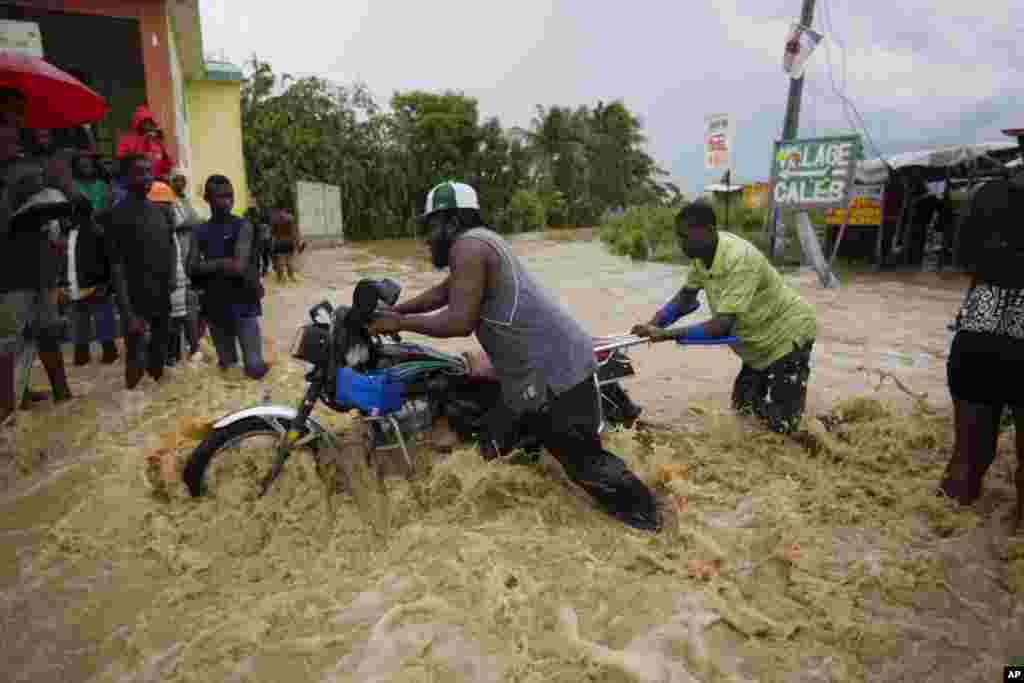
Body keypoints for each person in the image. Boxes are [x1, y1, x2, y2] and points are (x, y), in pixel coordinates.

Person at [367, 180, 658, 531]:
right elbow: (444, 293)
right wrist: (394, 313)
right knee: (492, 447)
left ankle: (651, 522)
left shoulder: (468, 247)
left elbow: (459, 320)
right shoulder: (482, 242)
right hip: (528, 376)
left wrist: (401, 321)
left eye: (431, 226)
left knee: (585, 463)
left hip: (551, 374)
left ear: (452, 222)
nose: (426, 238)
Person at [631, 201, 817, 435]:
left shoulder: (739, 259)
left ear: (709, 231)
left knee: (782, 429)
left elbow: (721, 326)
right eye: (679, 237)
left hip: (787, 336)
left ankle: (825, 436)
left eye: (686, 237)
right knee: (743, 411)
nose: (681, 244)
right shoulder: (701, 258)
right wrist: (652, 324)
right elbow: (685, 300)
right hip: (757, 343)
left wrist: (666, 335)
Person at [939, 170, 1024, 525]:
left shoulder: (986, 195)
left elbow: (961, 263)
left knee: (967, 458)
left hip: (977, 336)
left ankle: (942, 530)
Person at [1, 88, 75, 424]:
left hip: (40, 263)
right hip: (7, 271)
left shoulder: (27, 163)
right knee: (8, 340)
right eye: (7, 118)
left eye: (17, 118)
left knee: (46, 330)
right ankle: (7, 411)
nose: (14, 126)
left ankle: (61, 395)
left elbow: (52, 211)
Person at [101, 155, 177, 389]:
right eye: (139, 172)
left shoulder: (161, 212)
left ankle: (153, 411)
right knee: (135, 359)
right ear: (125, 178)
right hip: (135, 301)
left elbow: (170, 245)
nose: (147, 177)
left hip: (162, 296)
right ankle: (132, 407)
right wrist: (127, 314)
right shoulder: (116, 216)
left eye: (148, 171)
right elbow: (116, 266)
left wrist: (173, 276)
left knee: (159, 358)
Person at [187, 174, 268, 380]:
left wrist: (207, 265)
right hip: (215, 306)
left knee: (254, 368)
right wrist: (223, 263)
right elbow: (190, 267)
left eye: (230, 196)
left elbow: (239, 266)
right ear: (208, 199)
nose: (228, 201)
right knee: (228, 370)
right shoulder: (200, 231)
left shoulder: (243, 226)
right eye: (221, 196)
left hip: (244, 303)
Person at [67, 151, 118, 366]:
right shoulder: (72, 232)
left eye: (89, 162)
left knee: (98, 313)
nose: (86, 165)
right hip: (82, 281)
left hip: (91, 281)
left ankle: (101, 352)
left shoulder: (90, 232)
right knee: (84, 316)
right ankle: (87, 353)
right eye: (81, 163)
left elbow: (106, 257)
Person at [113, 105, 174, 204]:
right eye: (145, 122)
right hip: (131, 189)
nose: (149, 126)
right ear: (138, 122)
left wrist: (161, 145)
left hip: (154, 188)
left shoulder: (155, 142)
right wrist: (143, 140)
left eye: (150, 122)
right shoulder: (126, 139)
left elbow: (166, 166)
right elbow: (122, 162)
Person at [269, 208, 303, 283]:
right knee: (289, 260)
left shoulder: (274, 219)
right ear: (285, 209)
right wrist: (297, 242)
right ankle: (291, 276)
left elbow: (272, 233)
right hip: (289, 241)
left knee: (280, 260)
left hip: (279, 241)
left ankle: (280, 278)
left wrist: (272, 242)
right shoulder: (290, 218)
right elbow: (294, 232)